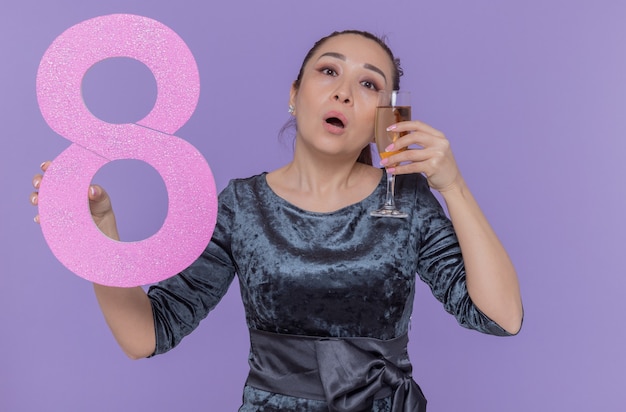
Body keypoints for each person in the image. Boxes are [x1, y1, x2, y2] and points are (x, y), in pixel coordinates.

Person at [30, 30, 523, 412]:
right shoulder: (241, 206)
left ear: (384, 117)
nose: (345, 93)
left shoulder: (408, 200)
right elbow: (146, 335)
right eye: (329, 72)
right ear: (294, 93)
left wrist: (452, 186)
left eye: (369, 83)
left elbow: (502, 317)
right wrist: (99, 234)